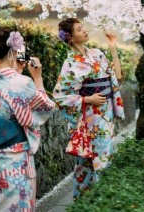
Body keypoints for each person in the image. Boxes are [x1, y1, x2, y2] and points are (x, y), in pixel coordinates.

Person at [0, 27, 55, 211]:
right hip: (14, 163)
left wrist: (16, 72)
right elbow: (44, 109)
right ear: (13, 51)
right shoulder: (22, 82)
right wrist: (37, 78)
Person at [53, 18, 125, 199]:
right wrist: (86, 99)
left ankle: (98, 200)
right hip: (87, 116)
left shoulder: (97, 54)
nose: (84, 30)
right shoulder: (70, 62)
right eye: (79, 29)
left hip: (105, 114)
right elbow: (61, 95)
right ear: (70, 38)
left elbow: (116, 79)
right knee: (85, 160)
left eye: (83, 27)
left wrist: (113, 48)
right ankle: (86, 201)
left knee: (103, 155)